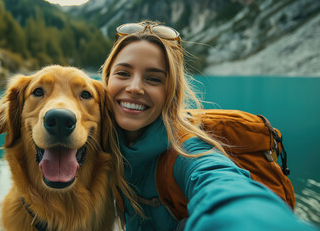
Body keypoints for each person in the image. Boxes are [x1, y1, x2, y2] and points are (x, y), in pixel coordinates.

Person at [101, 21, 317, 230]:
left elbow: (223, 187)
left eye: (154, 79)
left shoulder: (188, 152)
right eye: (123, 73)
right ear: (107, 79)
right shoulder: (100, 139)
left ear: (171, 93)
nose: (135, 87)